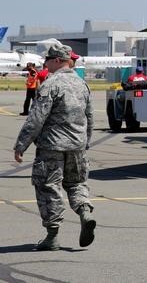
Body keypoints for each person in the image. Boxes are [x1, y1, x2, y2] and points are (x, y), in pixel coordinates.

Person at [13, 43, 96, 251]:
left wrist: (21, 144)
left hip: (52, 146)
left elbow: (36, 118)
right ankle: (85, 212)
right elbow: (90, 118)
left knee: (48, 187)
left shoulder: (51, 84)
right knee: (77, 184)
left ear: (58, 60)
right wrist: (84, 142)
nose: (45, 63)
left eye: (48, 60)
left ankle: (52, 236)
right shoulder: (81, 84)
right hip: (77, 146)